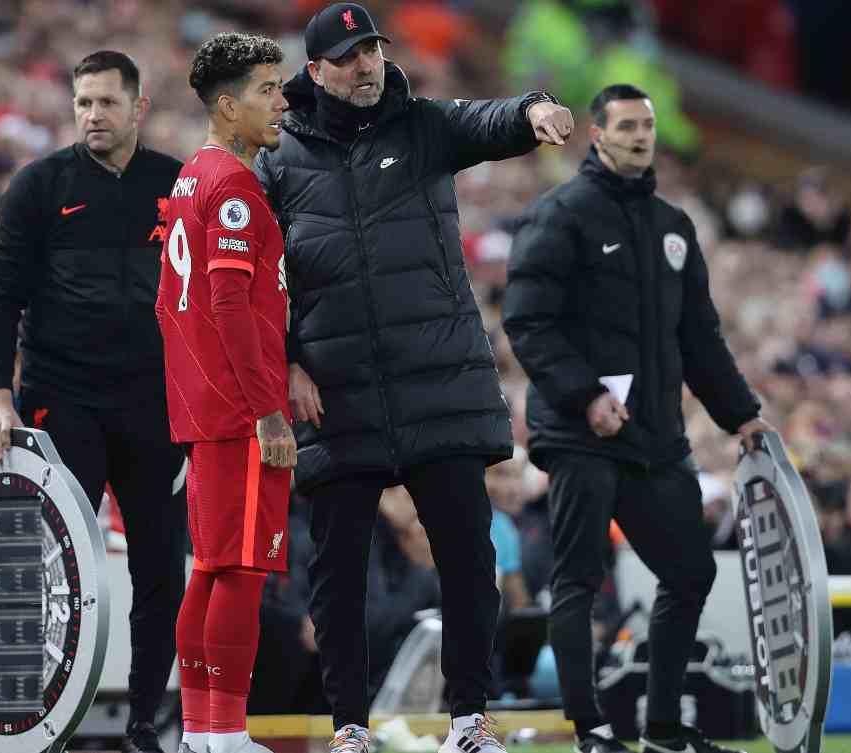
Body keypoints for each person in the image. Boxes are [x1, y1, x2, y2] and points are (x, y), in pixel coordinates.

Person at [253, 4, 575, 752]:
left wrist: (537, 110)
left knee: (469, 558)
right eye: (349, 55)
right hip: (337, 391)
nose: (366, 65)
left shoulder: (423, 123)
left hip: (437, 381)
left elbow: (492, 119)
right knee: (337, 576)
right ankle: (350, 728)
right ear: (315, 71)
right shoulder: (276, 158)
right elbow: (259, 283)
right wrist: (290, 358)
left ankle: (469, 718)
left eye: (371, 49)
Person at [502, 84, 772, 753]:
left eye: (647, 126)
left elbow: (701, 338)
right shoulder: (559, 215)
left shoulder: (674, 227)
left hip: (655, 437)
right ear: (597, 135)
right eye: (626, 126)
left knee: (691, 573)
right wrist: (586, 395)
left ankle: (663, 728)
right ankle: (590, 728)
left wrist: (742, 416)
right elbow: (527, 321)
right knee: (579, 578)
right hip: (579, 434)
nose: (640, 136)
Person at [0, 50, 186, 753]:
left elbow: (203, 299)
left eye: (105, 102)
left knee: (162, 566)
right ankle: (42, 721)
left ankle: (144, 724)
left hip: (155, 404)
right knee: (49, 567)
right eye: (83, 103)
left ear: (138, 107)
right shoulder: (39, 185)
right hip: (61, 396)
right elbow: (1, 293)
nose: (92, 115)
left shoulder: (176, 183)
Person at [156, 33, 295, 753]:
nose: (282, 101)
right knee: (242, 566)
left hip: (202, 402)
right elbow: (230, 302)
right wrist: (268, 408)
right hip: (239, 408)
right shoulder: (234, 185)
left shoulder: (191, 176)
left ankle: (202, 734)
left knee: (210, 568)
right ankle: (227, 732)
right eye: (269, 90)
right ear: (229, 104)